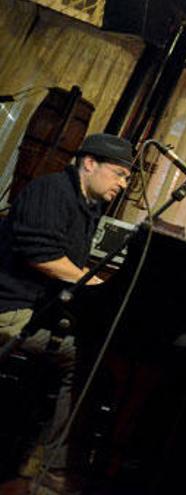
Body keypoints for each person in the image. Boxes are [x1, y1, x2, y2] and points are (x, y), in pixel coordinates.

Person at [0, 133, 133, 489]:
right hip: (11, 309)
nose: (122, 184)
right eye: (119, 174)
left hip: (36, 309)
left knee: (92, 348)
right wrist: (97, 286)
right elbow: (40, 255)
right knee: (83, 359)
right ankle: (54, 468)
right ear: (89, 163)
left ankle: (32, 456)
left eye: (126, 178)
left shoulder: (85, 205)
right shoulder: (52, 191)